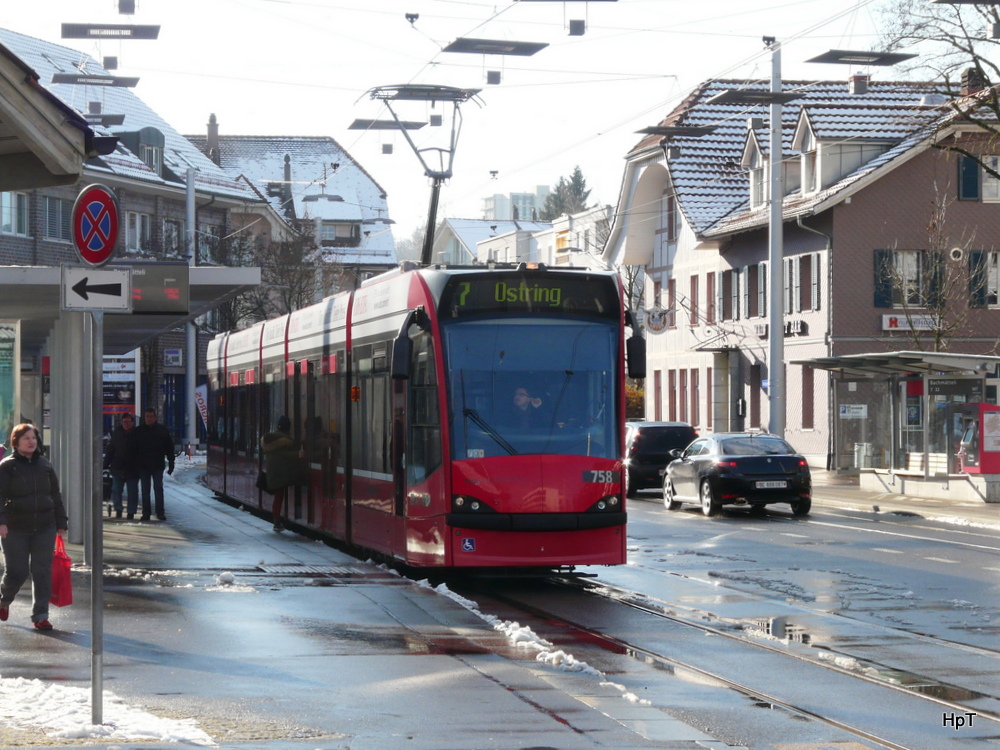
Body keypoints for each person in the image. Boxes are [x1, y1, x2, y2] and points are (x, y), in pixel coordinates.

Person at [0, 423, 68, 630]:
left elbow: (55, 494)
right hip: (15, 527)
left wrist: (61, 521)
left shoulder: (45, 465)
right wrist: (1, 521)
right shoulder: (6, 466)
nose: (31, 442)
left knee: (42, 570)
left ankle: (40, 616)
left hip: (44, 526)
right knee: (17, 571)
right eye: (26, 438)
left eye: (33, 438)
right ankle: (3, 600)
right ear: (16, 442)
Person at [260, 416, 301, 532]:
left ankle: (278, 520)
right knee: (279, 497)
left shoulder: (271, 439)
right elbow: (287, 455)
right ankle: (277, 521)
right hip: (281, 473)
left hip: (273, 472)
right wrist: (299, 454)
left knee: (279, 497)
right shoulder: (284, 441)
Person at [133, 407, 175, 521]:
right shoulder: (138, 431)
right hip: (143, 466)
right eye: (147, 416)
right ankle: (146, 513)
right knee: (145, 490)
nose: (149, 419)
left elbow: (169, 448)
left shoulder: (162, 431)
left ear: (155, 418)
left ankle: (160, 512)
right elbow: (133, 449)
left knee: (158, 488)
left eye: (151, 416)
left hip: (157, 465)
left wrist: (171, 463)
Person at [103, 412, 140, 519]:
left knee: (132, 492)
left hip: (133, 468)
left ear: (133, 423)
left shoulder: (137, 434)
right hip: (117, 467)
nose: (126, 424)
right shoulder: (117, 434)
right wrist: (106, 464)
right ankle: (118, 509)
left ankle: (131, 512)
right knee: (116, 490)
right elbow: (111, 450)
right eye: (124, 422)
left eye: (128, 422)